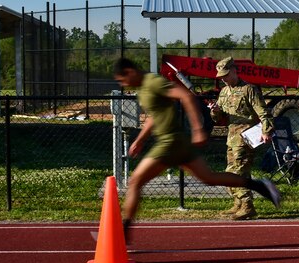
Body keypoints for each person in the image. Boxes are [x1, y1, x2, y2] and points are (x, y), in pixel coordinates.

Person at [113, 58, 280, 242]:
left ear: (130, 72)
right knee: (210, 178)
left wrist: (197, 128)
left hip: (172, 143)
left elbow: (185, 95)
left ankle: (123, 233)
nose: (122, 84)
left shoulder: (153, 82)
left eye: (122, 80)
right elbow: (155, 115)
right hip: (191, 142)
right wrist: (140, 139)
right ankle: (260, 186)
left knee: (135, 181)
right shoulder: (144, 88)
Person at [210, 56, 277, 220]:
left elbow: (263, 112)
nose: (224, 79)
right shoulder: (224, 92)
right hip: (231, 137)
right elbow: (219, 119)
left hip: (246, 137)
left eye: (226, 75)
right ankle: (238, 204)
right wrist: (215, 111)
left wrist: (266, 131)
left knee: (234, 173)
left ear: (234, 71)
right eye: (221, 77)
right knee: (241, 173)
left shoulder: (249, 89)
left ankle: (247, 205)